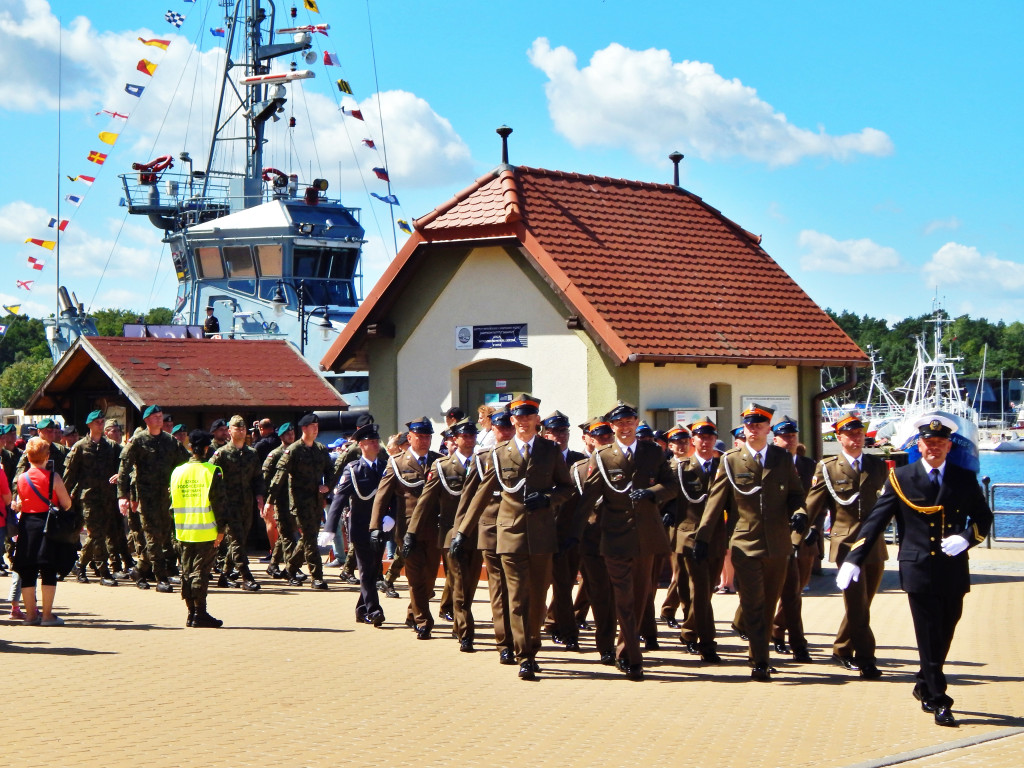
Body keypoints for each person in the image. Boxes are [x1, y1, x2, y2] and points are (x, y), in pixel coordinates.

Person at [837, 415, 992, 727]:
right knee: (928, 633)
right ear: (919, 446)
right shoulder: (902, 477)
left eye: (939, 443)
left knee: (946, 629)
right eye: (928, 443)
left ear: (949, 446)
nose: (933, 447)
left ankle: (923, 682)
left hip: (952, 567)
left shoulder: (963, 477)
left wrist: (966, 538)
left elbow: (983, 519)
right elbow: (876, 521)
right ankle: (939, 699)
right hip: (918, 566)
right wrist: (854, 558)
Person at [460, 394, 573, 681]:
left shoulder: (550, 450)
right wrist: (462, 531)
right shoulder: (498, 453)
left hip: (542, 534)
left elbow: (566, 488)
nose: (523, 421)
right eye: (518, 417)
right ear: (512, 420)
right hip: (509, 534)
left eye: (529, 416)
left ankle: (532, 643)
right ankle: (524, 655)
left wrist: (548, 498)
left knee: (537, 596)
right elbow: (481, 493)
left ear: (537, 419)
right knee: (518, 597)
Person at [695, 403, 807, 681]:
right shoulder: (731, 460)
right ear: (744, 429)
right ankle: (760, 661)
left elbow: (795, 494)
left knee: (769, 603)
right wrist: (703, 538)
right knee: (754, 601)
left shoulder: (781, 458)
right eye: (749, 425)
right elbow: (715, 501)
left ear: (769, 428)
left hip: (778, 544)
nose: (754, 429)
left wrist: (800, 512)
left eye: (759, 425)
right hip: (745, 542)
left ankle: (758, 653)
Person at [576, 401, 677, 680]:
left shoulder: (652, 451)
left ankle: (626, 648)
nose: (625, 426)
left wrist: (651, 492)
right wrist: (570, 534)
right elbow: (587, 498)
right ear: (612, 427)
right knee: (624, 600)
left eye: (630, 421)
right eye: (619, 423)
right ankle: (632, 656)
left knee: (640, 597)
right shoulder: (603, 456)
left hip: (646, 536)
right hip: (615, 536)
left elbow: (671, 486)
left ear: (636, 422)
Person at [805, 413, 888, 678]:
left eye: (859, 434)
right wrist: (802, 526)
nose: (856, 439)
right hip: (846, 544)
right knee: (856, 604)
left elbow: (887, 503)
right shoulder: (829, 468)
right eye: (850, 435)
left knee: (864, 603)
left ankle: (841, 648)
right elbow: (812, 503)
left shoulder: (877, 466)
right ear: (839, 438)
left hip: (874, 543)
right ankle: (866, 659)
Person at [452, 407, 516, 664]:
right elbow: (469, 499)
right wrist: (460, 533)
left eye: (508, 428)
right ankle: (505, 642)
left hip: (516, 528)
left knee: (519, 589)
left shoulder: (527, 455)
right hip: (489, 529)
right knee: (498, 588)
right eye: (500, 429)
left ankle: (521, 637)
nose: (505, 433)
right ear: (494, 430)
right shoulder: (483, 458)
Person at [370, 417, 441, 638]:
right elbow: (382, 496)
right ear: (409, 438)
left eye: (428, 437)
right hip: (408, 529)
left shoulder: (440, 461)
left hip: (434, 527)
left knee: (429, 578)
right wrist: (375, 526)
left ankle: (413, 612)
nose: (424, 441)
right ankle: (423, 621)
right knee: (415, 576)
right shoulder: (397, 462)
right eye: (420, 436)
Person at [412, 418, 478, 650]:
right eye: (464, 436)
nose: (469, 440)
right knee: (458, 583)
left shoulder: (484, 463)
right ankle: (465, 631)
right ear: (455, 439)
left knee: (469, 586)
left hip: (478, 533)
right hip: (451, 532)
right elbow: (425, 501)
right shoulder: (443, 466)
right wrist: (411, 533)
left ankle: (460, 623)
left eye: (472, 436)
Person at [117, 405, 188, 592]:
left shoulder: (170, 441)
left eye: (160, 416)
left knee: (164, 535)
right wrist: (123, 495)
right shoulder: (138, 441)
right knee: (152, 536)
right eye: (154, 417)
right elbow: (124, 470)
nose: (159, 419)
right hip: (145, 496)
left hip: (165, 495)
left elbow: (185, 462)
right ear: (146, 420)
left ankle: (139, 570)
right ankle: (161, 578)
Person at [673, 418, 725, 663]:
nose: (705, 442)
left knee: (707, 591)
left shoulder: (724, 466)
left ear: (715, 440)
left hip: (716, 538)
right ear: (693, 441)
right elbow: (671, 500)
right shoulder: (681, 468)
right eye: (700, 438)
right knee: (701, 591)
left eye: (709, 438)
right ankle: (708, 644)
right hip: (690, 537)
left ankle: (689, 630)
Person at [325, 421, 387, 626]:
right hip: (361, 527)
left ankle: (361, 609)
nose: (375, 444)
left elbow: (393, 495)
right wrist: (329, 528)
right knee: (366, 570)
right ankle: (374, 609)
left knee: (373, 569)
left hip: (381, 526)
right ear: (361, 445)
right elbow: (339, 500)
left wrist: (392, 516)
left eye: (376, 441)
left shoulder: (385, 467)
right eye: (370, 441)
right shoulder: (353, 469)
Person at [768, 416, 817, 662]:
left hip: (805, 532)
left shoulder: (810, 465)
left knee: (796, 588)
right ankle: (783, 635)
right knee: (778, 588)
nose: (789, 440)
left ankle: (777, 628)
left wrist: (815, 525)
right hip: (776, 533)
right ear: (774, 439)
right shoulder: (768, 463)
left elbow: (816, 499)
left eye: (792, 436)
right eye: (784, 437)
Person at [13, 437, 77, 625]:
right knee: (48, 569)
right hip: (47, 526)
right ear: (46, 456)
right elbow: (66, 504)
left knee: (27, 570)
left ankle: (31, 616)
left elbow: (20, 503)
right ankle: (48, 616)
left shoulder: (22, 478)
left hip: (27, 525)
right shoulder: (53, 477)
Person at [171, 430, 228, 627]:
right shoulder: (212, 471)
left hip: (183, 530)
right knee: (200, 573)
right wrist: (221, 530)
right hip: (206, 531)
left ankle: (191, 613)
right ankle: (200, 613)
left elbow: (171, 504)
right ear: (206, 449)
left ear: (190, 448)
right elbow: (220, 504)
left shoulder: (177, 472)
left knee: (186, 573)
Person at [271, 413, 335, 589]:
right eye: (312, 426)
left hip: (316, 501)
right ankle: (317, 577)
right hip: (299, 502)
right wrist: (269, 501)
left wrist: (328, 486)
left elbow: (331, 470)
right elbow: (279, 476)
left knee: (308, 538)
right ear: (304, 429)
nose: (316, 429)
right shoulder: (293, 450)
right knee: (310, 539)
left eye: (317, 426)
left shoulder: (320, 449)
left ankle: (290, 569)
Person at [540, 410, 586, 650]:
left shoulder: (580, 460)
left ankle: (560, 626)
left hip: (568, 533)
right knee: (539, 583)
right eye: (554, 431)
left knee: (565, 583)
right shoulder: (538, 459)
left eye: (563, 431)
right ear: (544, 434)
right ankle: (541, 622)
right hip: (542, 531)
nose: (559, 436)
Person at [63, 410, 120, 587]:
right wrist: (63, 496)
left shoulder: (110, 446)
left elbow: (123, 464)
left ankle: (80, 565)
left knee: (98, 534)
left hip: (107, 496)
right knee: (97, 533)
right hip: (88, 497)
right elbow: (70, 474)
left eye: (102, 421)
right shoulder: (80, 446)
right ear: (89, 425)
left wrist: (120, 475)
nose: (100, 424)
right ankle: (104, 572)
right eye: (97, 422)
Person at [211, 415, 265, 591]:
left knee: (240, 539)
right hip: (228, 503)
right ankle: (246, 577)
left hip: (246, 503)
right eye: (237, 428)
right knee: (235, 539)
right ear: (230, 431)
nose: (241, 431)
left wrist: (259, 496)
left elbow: (258, 477)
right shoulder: (222, 454)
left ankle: (225, 574)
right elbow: (210, 475)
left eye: (243, 428)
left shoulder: (252, 453)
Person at [261, 422, 297, 579]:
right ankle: (292, 567)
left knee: (286, 533)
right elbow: (265, 477)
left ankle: (273, 564)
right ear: (281, 437)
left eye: (292, 433)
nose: (291, 436)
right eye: (287, 434)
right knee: (286, 533)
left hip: (294, 499)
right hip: (280, 499)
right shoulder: (275, 454)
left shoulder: (297, 451)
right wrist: (268, 499)